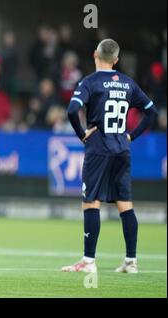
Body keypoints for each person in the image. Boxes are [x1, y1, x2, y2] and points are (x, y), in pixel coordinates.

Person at [63, 39, 158, 274]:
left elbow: (72, 110)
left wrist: (82, 134)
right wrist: (131, 136)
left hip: (98, 148)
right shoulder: (127, 83)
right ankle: (131, 261)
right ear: (116, 60)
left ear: (95, 54)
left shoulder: (89, 82)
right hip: (122, 148)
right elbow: (151, 112)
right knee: (125, 204)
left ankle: (88, 262)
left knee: (90, 202)